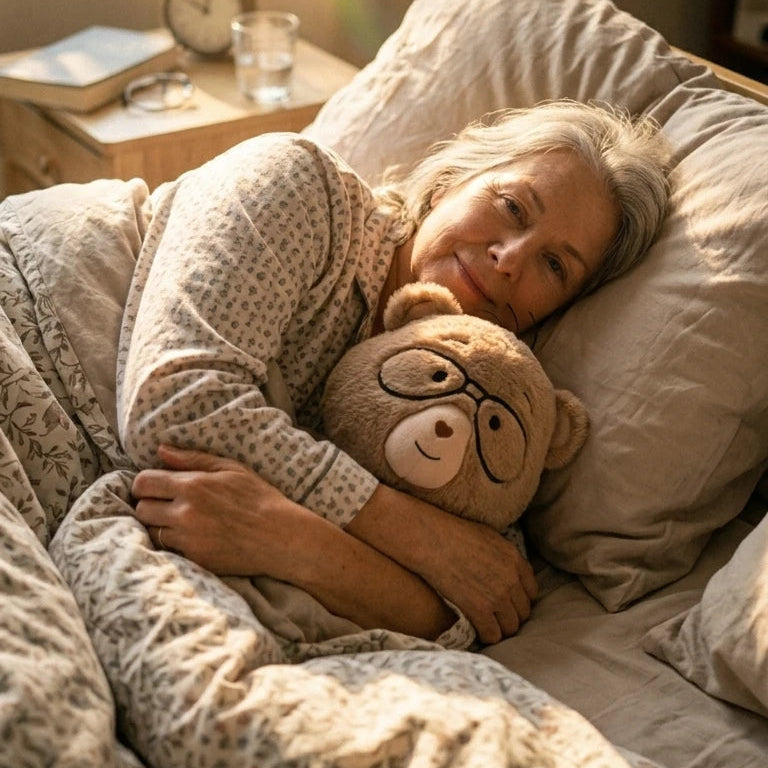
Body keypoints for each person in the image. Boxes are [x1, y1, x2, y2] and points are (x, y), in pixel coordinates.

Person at [121, 100, 671, 647]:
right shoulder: (301, 187)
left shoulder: (488, 395)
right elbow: (173, 407)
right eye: (512, 207)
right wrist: (413, 535)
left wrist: (289, 539)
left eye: (554, 266)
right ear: (449, 182)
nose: (510, 257)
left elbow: (475, 607)